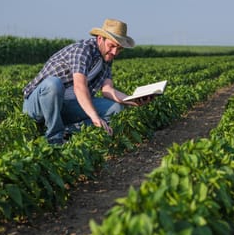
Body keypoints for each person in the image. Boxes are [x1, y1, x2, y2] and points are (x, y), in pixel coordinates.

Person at [22, 18, 150, 145]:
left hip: (65, 106)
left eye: (119, 48)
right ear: (100, 39)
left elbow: (107, 90)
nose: (115, 52)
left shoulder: (107, 57)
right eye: (112, 46)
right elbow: (79, 86)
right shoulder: (83, 51)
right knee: (53, 84)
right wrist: (94, 116)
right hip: (38, 105)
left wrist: (133, 100)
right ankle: (54, 138)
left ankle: (68, 131)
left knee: (116, 109)